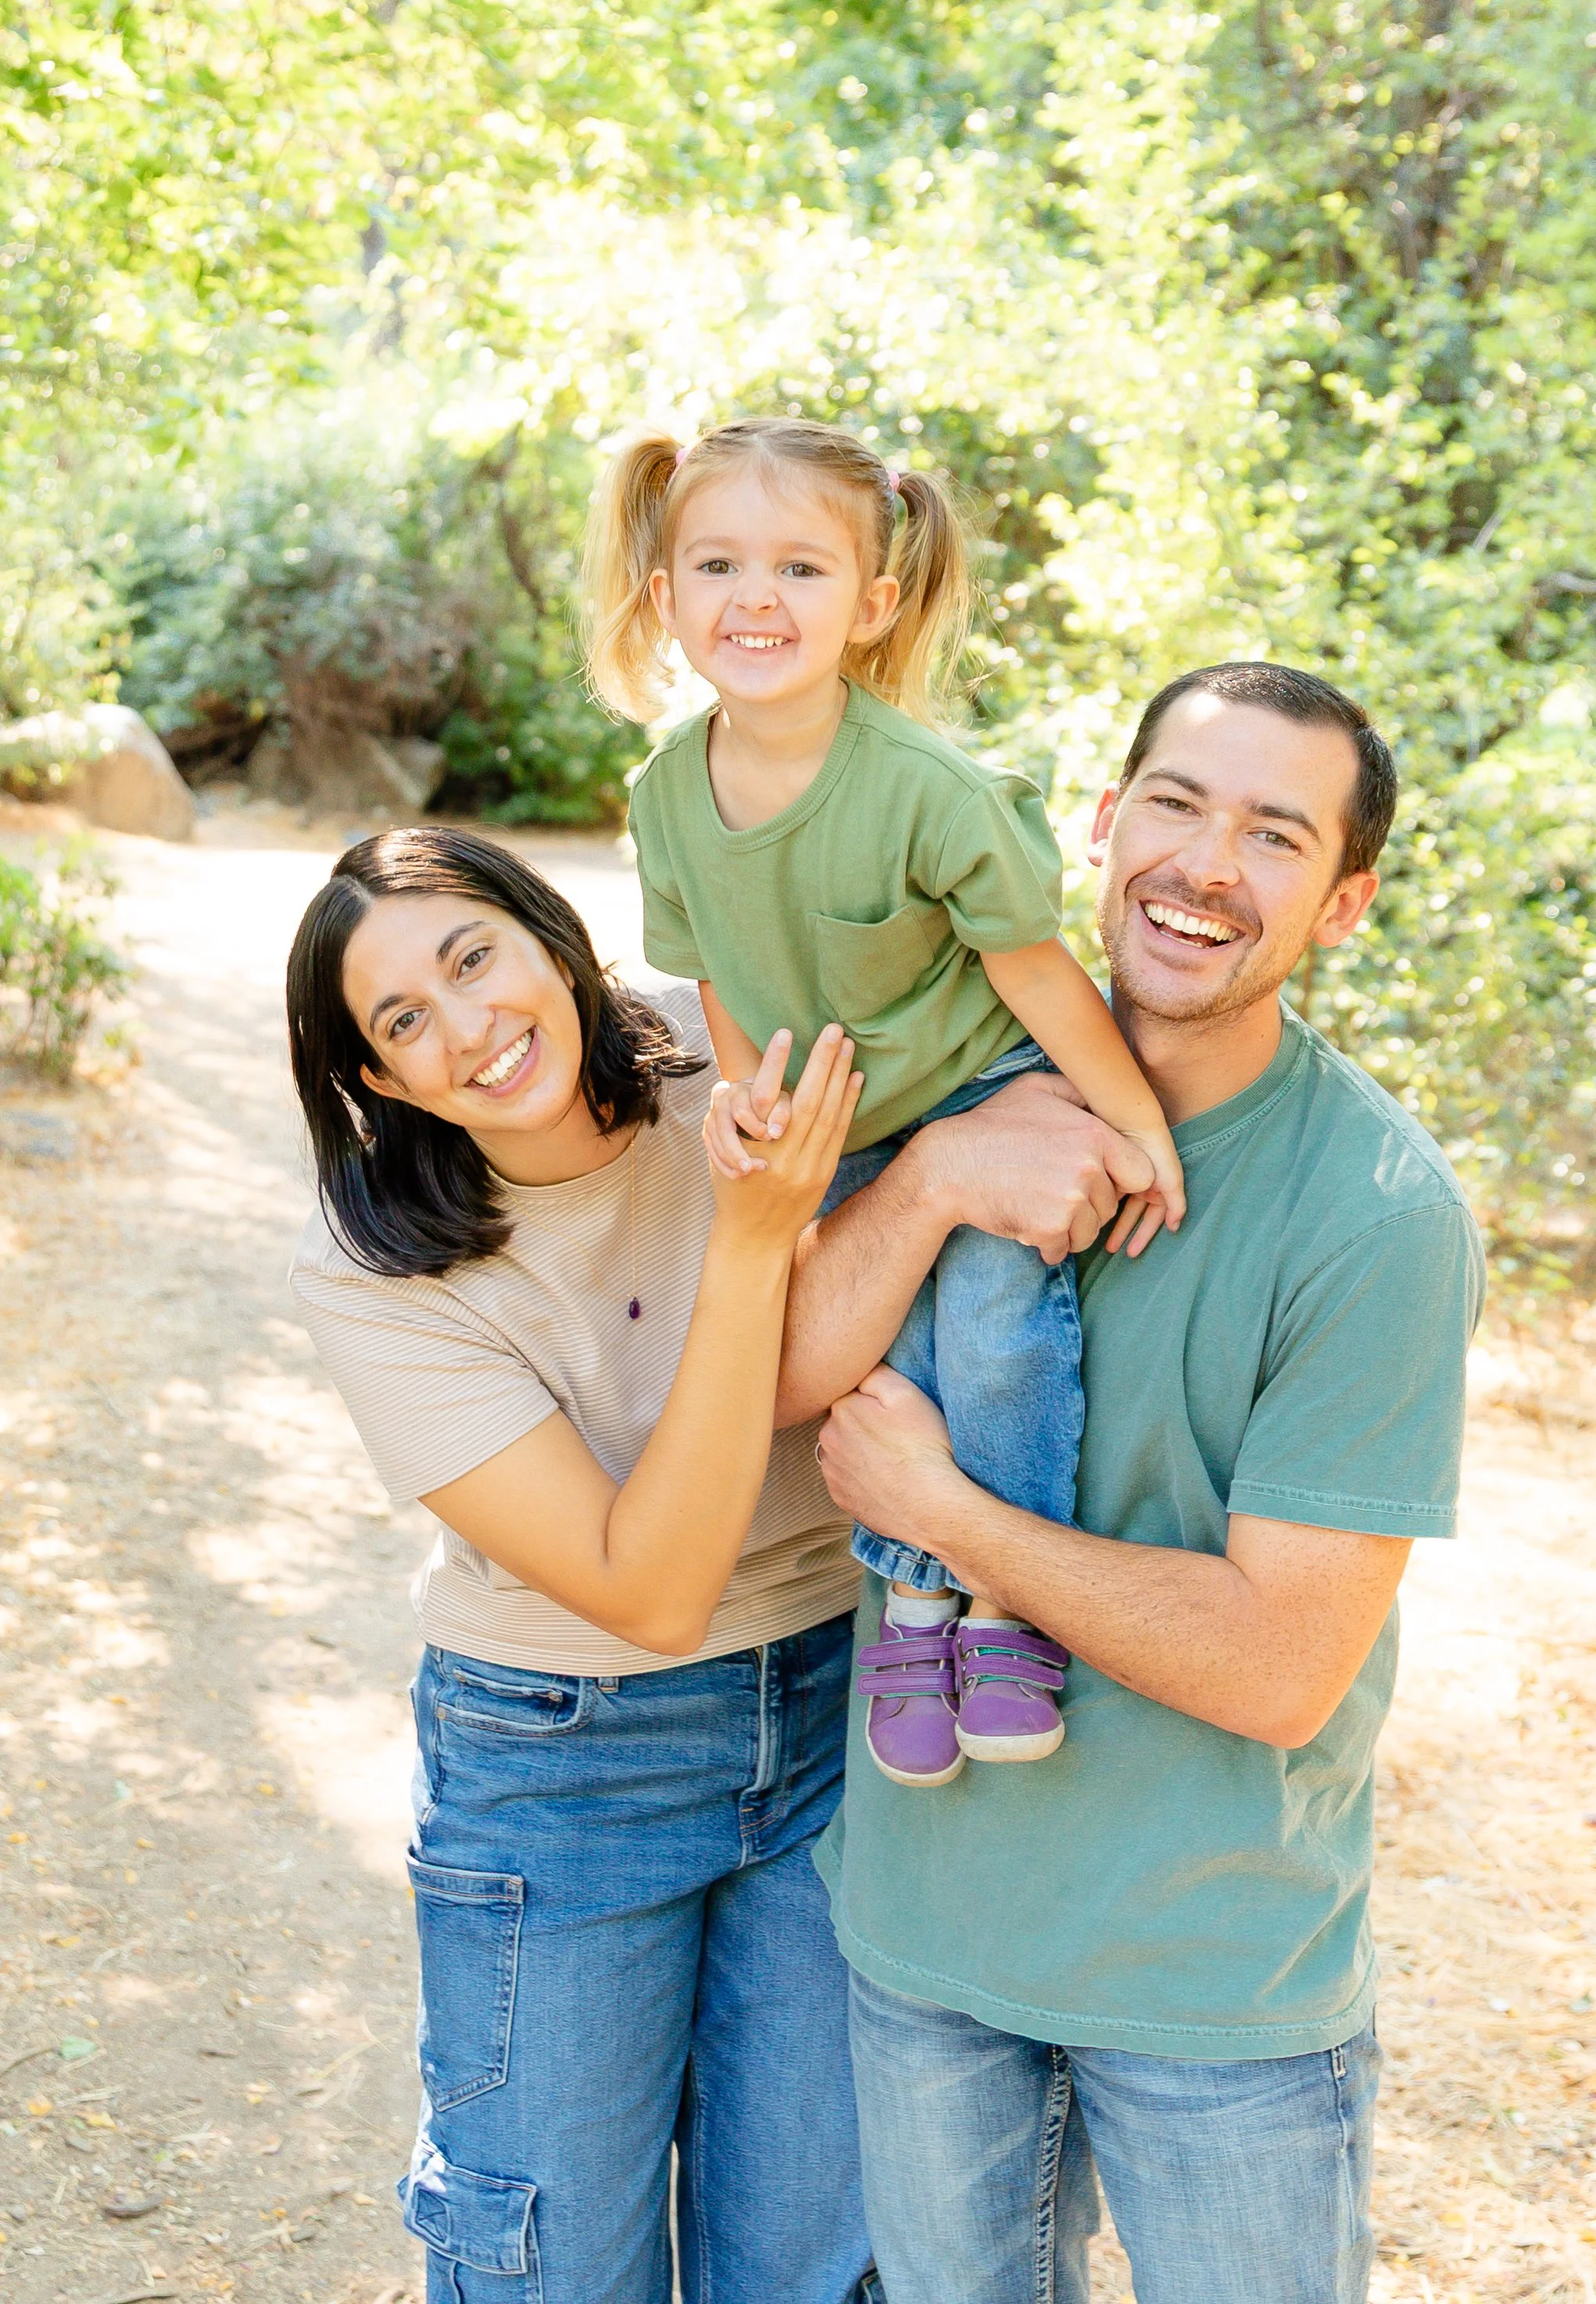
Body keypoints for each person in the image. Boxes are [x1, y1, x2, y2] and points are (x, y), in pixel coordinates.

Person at [788, 663, 1487, 2302]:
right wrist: (942, 1174)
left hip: (1212, 1982)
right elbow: (774, 1382)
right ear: (1102, 827)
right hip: (926, 1941)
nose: (1203, 864)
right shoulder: (939, 1089)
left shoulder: (1374, 1211)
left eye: (1271, 834)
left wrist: (952, 1518)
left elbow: (1274, 1662)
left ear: (1341, 904)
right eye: (1173, 803)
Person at [281, 828, 875, 2304]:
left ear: (550, 934)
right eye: (404, 1021)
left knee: (816, 2261)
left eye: (473, 957)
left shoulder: (721, 1060)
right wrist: (749, 1244)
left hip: (838, 1705)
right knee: (554, 2265)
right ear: (380, 1083)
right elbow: (650, 1588)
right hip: (565, 1762)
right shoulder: (380, 1268)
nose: (469, 1028)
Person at [582, 414, 1183, 1788]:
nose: (756, 599)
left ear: (873, 602)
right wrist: (754, 1107)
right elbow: (720, 980)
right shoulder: (668, 796)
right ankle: (911, 1604)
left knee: (988, 1327)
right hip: (841, 1114)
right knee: (868, 1355)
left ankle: (1009, 1604)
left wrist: (1135, 1124)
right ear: (665, 597)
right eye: (719, 565)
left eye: (800, 569)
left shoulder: (929, 791)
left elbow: (1037, 980)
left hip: (984, 1076)